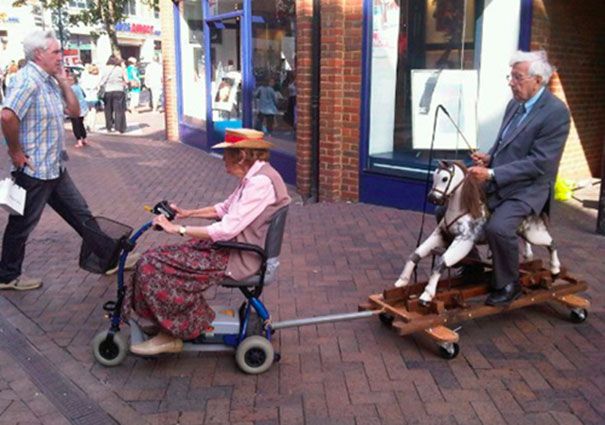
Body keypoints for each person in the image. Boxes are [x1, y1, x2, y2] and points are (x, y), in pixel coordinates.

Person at [123, 128, 291, 356]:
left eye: (227, 154)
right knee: (152, 258)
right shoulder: (255, 177)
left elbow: (226, 228)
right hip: (230, 248)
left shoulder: (260, 183)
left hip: (238, 256)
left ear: (241, 156)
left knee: (154, 264)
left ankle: (173, 333)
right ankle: (165, 321)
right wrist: (186, 213)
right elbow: (223, 209)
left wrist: (178, 229)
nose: (223, 159)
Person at [0, 31, 138, 291]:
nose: (61, 57)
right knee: (21, 225)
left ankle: (108, 259)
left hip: (54, 168)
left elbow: (74, 112)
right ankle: (7, 276)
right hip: (33, 171)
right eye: (56, 52)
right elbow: (7, 117)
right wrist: (15, 152)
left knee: (81, 215)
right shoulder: (27, 80)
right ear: (39, 54)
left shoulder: (49, 81)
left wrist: (63, 82)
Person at [468, 50, 570, 306]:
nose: (511, 82)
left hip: (528, 189)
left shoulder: (556, 113)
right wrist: (489, 158)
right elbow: (504, 143)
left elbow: (539, 163)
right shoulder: (515, 104)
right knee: (448, 212)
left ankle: (509, 284)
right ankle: (472, 268)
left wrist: (492, 173)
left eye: (517, 77)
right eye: (511, 76)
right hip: (500, 180)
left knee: (499, 228)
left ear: (538, 80)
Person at [99, 55, 128, 133]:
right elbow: (126, 79)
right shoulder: (120, 69)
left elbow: (101, 80)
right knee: (119, 110)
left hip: (107, 90)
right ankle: (118, 128)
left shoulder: (104, 69)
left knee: (108, 109)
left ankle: (109, 126)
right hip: (119, 90)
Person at [68, 72, 89, 147]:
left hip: (75, 108)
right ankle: (84, 139)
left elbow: (69, 99)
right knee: (81, 124)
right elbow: (84, 95)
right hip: (83, 107)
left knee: (75, 125)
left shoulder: (71, 89)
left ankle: (79, 141)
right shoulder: (78, 87)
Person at [80, 63, 101, 131]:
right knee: (93, 111)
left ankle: (87, 124)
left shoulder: (86, 77)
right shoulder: (97, 77)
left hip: (86, 95)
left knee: (87, 111)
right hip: (94, 95)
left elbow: (82, 85)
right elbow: (99, 86)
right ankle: (92, 125)